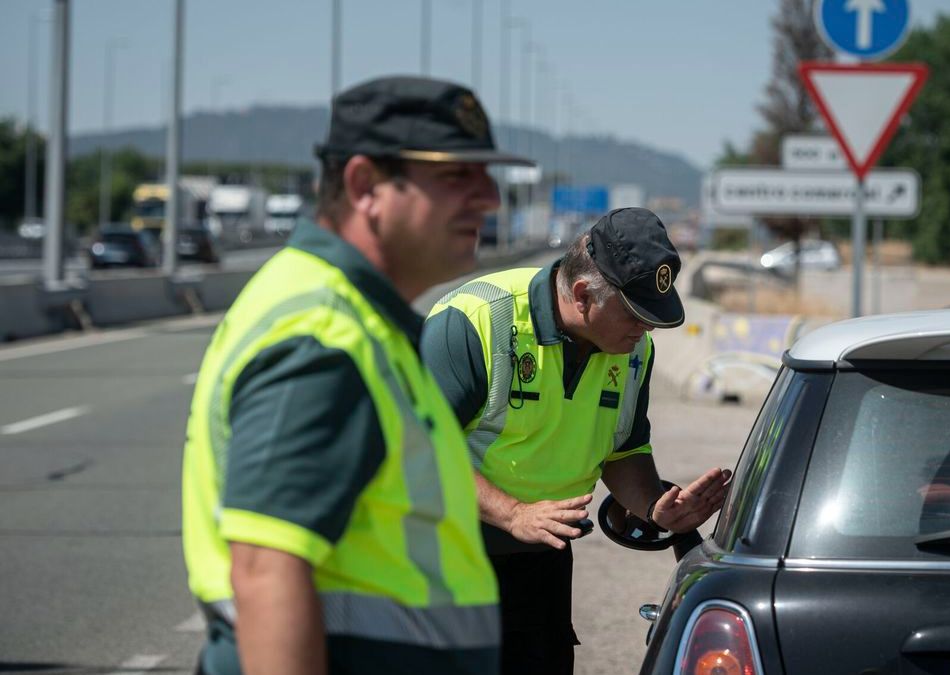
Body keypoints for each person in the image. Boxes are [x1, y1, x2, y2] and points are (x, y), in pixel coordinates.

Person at [181, 76, 534, 675]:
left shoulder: (364, 323)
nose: (489, 198)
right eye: (456, 176)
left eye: (485, 174)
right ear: (365, 185)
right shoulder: (325, 337)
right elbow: (268, 568)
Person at [422, 207, 732, 674]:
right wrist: (513, 514)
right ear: (583, 294)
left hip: (540, 560)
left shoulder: (631, 352)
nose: (645, 330)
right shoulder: (477, 320)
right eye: (635, 314)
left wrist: (654, 507)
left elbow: (623, 450)